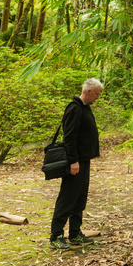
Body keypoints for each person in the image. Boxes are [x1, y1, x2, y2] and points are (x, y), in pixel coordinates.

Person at [49, 78, 102, 250]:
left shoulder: (85, 108)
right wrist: (73, 161)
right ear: (87, 92)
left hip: (84, 161)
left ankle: (74, 233)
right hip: (75, 162)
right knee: (68, 197)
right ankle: (56, 236)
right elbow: (69, 138)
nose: (97, 97)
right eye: (96, 94)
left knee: (79, 198)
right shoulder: (74, 108)